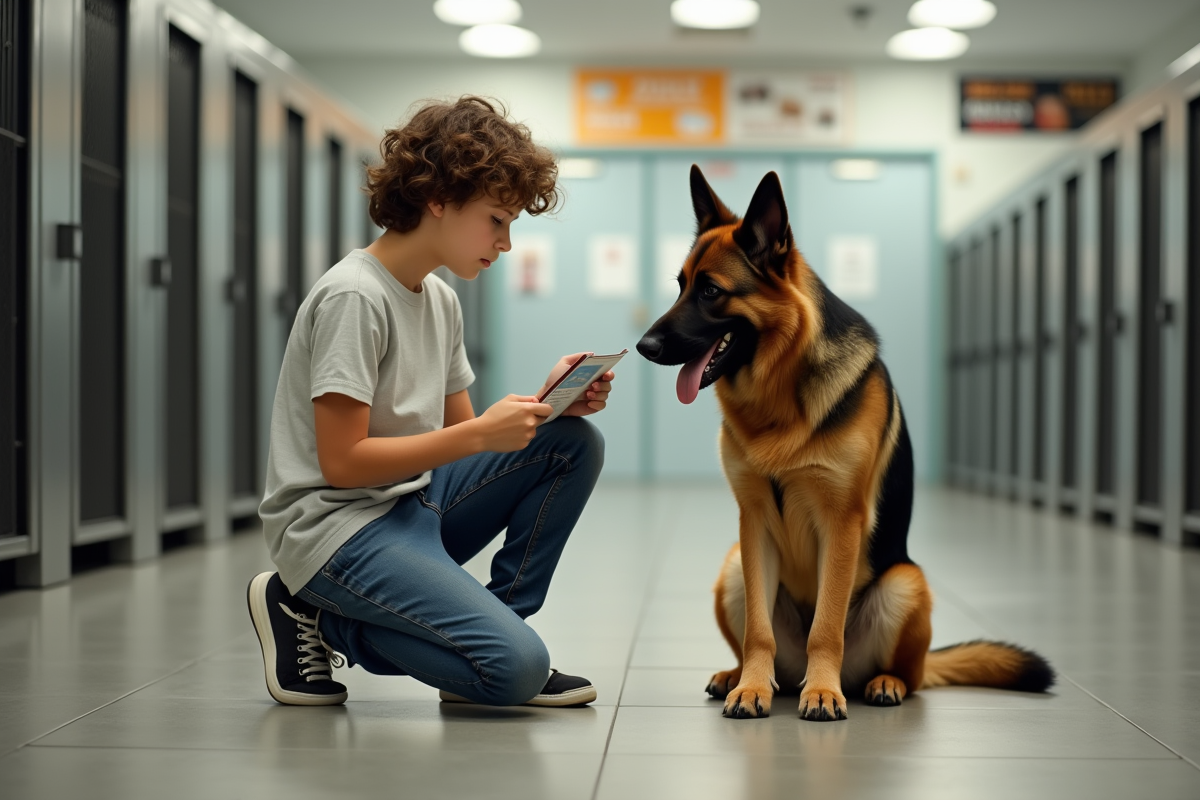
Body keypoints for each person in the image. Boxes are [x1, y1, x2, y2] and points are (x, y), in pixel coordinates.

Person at [246, 96, 613, 708]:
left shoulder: (440, 299)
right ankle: (312, 613)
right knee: (518, 671)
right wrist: (481, 435)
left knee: (571, 443)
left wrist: (546, 406)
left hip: (411, 504)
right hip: (338, 529)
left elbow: (460, 441)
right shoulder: (354, 297)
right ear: (438, 198)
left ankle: (497, 634)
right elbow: (343, 463)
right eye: (496, 219)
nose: (506, 242)